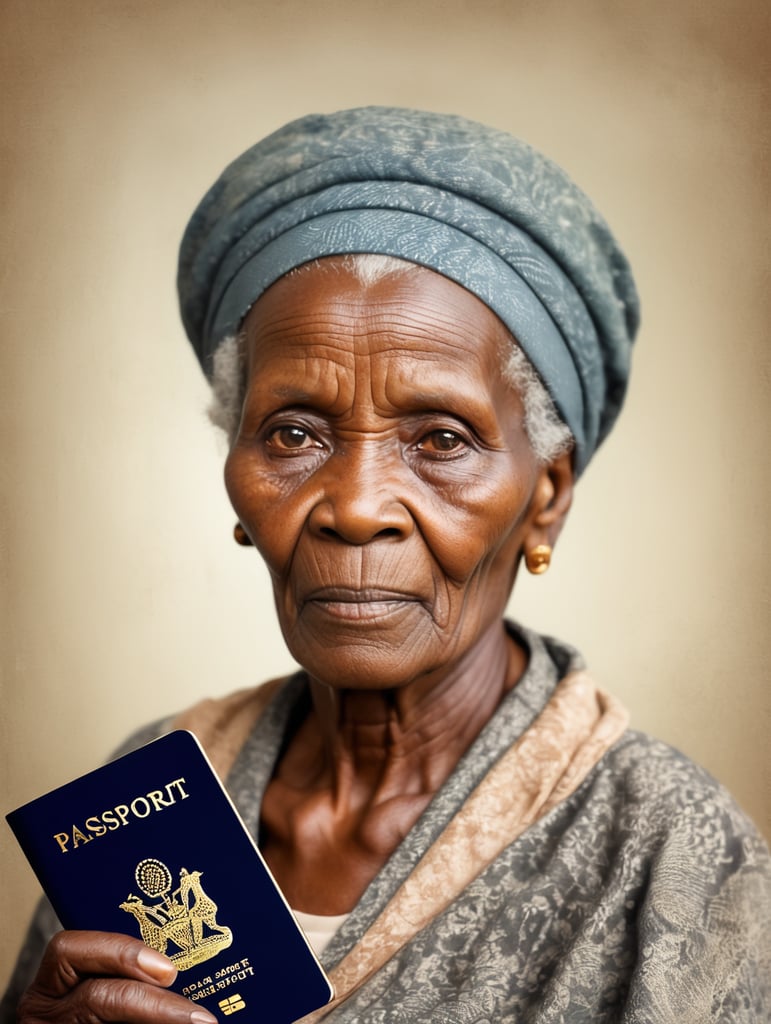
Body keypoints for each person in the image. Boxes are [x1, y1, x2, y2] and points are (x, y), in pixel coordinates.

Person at [3, 107, 769, 1023]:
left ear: (547, 494)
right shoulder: (155, 785)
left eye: (440, 439)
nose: (357, 507)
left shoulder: (671, 853)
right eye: (292, 433)